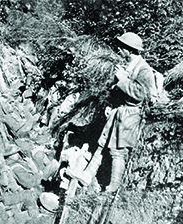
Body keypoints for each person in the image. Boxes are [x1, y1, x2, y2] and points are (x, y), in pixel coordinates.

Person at [66, 32, 155, 192]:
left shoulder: (144, 70)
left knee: (118, 151)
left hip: (130, 115)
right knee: (102, 143)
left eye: (122, 47)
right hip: (117, 110)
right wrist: (110, 102)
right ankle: (87, 175)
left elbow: (141, 94)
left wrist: (122, 80)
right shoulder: (128, 65)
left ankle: (113, 188)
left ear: (130, 50)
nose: (119, 49)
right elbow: (115, 88)